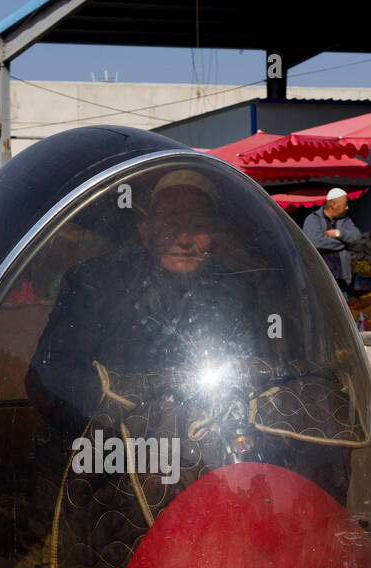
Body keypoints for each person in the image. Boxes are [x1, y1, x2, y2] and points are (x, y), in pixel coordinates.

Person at [28, 169, 259, 429]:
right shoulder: (95, 284)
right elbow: (48, 375)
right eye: (171, 224)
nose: (184, 239)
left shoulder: (235, 292)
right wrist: (121, 407)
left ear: (214, 238)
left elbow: (255, 372)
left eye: (198, 225)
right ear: (146, 231)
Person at [303, 187, 366, 298]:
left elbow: (357, 239)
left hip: (341, 283)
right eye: (345, 204)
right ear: (333, 205)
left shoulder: (346, 221)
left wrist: (339, 234)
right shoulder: (313, 219)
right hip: (320, 282)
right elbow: (315, 242)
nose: (347, 207)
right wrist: (344, 244)